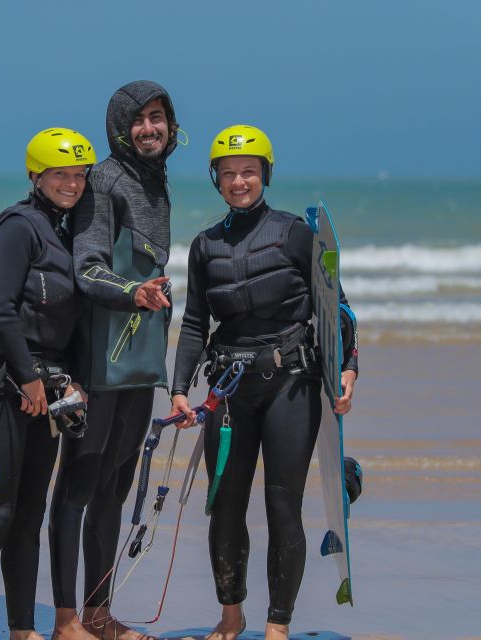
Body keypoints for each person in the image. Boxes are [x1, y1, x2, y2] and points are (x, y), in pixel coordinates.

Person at [169, 125, 359, 640]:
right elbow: (193, 324)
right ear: (216, 179)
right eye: (228, 173)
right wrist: (179, 388)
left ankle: (279, 625)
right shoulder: (205, 245)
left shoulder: (297, 233)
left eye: (248, 171)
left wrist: (348, 368)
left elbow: (337, 308)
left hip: (289, 386)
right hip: (228, 390)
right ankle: (232, 616)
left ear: (265, 174)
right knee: (224, 506)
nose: (238, 181)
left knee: (282, 505)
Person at [49, 80, 178, 640]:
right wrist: (136, 294)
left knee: (116, 486)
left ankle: (99, 615)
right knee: (79, 485)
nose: (150, 128)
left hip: (137, 360)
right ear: (120, 127)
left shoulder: (155, 182)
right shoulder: (104, 180)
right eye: (140, 119)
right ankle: (65, 619)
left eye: (159, 118)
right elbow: (89, 266)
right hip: (98, 359)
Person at [0, 128, 95, 640]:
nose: (72, 183)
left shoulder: (63, 232)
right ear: (36, 175)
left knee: (29, 516)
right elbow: (1, 310)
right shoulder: (19, 226)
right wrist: (29, 379)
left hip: (45, 385)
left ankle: (22, 629)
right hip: (0, 383)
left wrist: (68, 384)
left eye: (80, 175)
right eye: (61, 174)